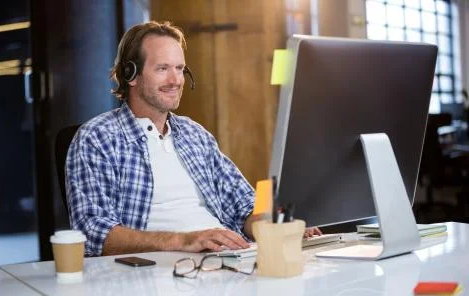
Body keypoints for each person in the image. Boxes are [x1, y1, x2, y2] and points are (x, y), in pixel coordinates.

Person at [66, 21, 321, 256]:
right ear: (131, 74)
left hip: (226, 264)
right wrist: (183, 241)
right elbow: (91, 232)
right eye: (163, 68)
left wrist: (279, 227)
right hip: (156, 274)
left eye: (179, 68)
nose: (176, 80)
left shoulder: (195, 135)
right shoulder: (97, 138)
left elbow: (247, 206)